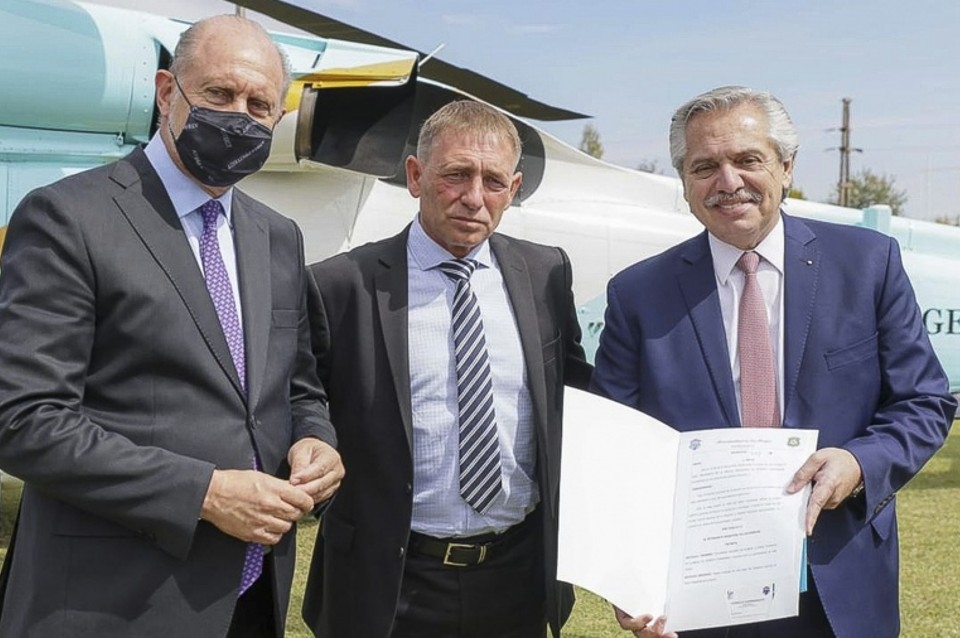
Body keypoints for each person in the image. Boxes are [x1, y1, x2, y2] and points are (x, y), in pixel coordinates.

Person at [0, 15, 344, 638]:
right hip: (110, 603)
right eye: (219, 93)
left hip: (249, 600)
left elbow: (296, 387)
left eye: (259, 105)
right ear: (166, 92)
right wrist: (203, 493)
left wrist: (315, 441)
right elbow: (24, 418)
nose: (239, 116)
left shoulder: (277, 237)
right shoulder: (69, 217)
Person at [592, 86, 956, 638]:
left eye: (748, 159)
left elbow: (923, 401)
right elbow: (616, 448)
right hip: (698, 592)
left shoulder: (868, 264)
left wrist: (859, 464)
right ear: (684, 183)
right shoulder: (637, 294)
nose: (728, 181)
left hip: (840, 580)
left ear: (786, 168)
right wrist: (631, 577)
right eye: (704, 166)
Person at [301, 100, 592, 638]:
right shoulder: (339, 284)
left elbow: (578, 395)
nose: (474, 197)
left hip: (517, 577)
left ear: (514, 188)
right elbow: (303, 400)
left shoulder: (545, 273)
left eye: (494, 181)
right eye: (456, 174)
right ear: (415, 176)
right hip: (389, 581)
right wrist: (314, 451)